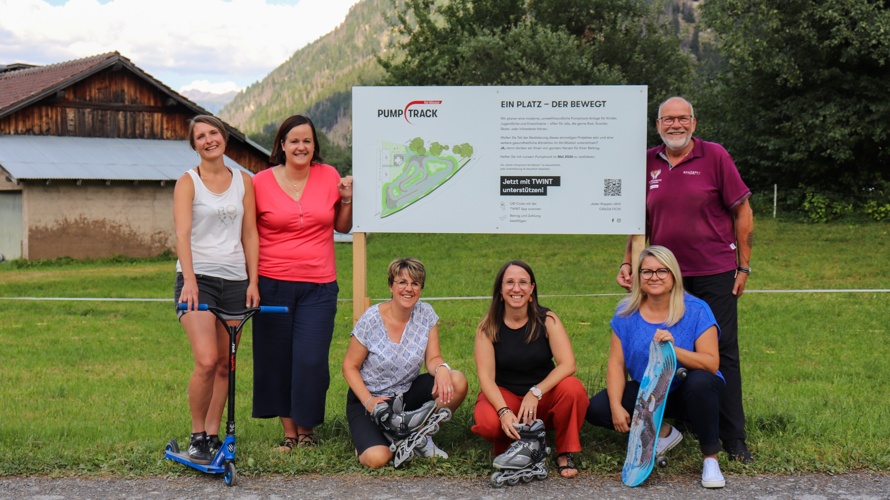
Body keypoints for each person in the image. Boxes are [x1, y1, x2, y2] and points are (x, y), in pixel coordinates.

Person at [617, 96, 754, 463]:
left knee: (721, 351)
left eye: (682, 119)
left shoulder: (715, 156)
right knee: (666, 349)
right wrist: (629, 261)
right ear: (658, 124)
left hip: (713, 270)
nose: (675, 125)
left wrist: (743, 266)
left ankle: (732, 436)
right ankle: (684, 420)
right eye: (667, 119)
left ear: (694, 123)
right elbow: (637, 221)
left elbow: (742, 210)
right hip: (663, 275)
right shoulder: (646, 162)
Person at [251, 114, 353, 451]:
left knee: (310, 360)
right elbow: (249, 233)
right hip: (272, 282)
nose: (300, 146)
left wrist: (348, 199)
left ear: (314, 146)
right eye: (294, 140)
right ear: (281, 144)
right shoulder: (260, 182)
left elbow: (341, 226)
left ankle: (307, 430)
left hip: (319, 285)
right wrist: (251, 282)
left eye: (307, 141)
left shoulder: (328, 176)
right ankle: (290, 434)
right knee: (277, 358)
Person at [590, 245, 726, 488]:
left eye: (662, 271)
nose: (654, 277)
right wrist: (614, 406)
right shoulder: (625, 313)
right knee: (597, 408)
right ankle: (664, 432)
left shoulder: (696, 310)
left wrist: (674, 350)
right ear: (638, 277)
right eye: (647, 272)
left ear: (673, 275)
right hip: (649, 393)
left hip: (688, 392)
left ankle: (710, 459)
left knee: (700, 382)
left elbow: (711, 363)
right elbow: (616, 364)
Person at [173, 115, 259, 464]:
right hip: (199, 280)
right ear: (194, 145)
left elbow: (249, 233)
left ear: (224, 137)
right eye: (200, 136)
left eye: (213, 133)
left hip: (236, 280)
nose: (209, 140)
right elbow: (182, 235)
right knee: (206, 360)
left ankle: (212, 434)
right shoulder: (188, 182)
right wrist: (190, 280)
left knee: (226, 364)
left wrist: (253, 281)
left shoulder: (243, 181)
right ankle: (196, 435)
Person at [342, 257, 468, 469]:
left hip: (406, 395)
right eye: (402, 282)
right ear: (391, 286)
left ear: (420, 288)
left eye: (415, 283)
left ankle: (420, 435)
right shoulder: (371, 319)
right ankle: (381, 435)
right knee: (377, 459)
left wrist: (442, 369)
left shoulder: (426, 313)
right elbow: (349, 366)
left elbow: (433, 358)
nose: (408, 289)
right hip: (369, 399)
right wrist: (369, 402)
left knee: (457, 381)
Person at [472, 260, 589, 479]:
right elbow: (486, 377)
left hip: (543, 399)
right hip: (506, 397)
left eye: (523, 282)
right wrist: (503, 411)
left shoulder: (548, 320)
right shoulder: (487, 326)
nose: (516, 288)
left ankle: (564, 451)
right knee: (488, 422)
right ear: (500, 290)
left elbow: (568, 364)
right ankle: (519, 445)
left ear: (532, 289)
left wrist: (536, 392)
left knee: (573, 388)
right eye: (510, 282)